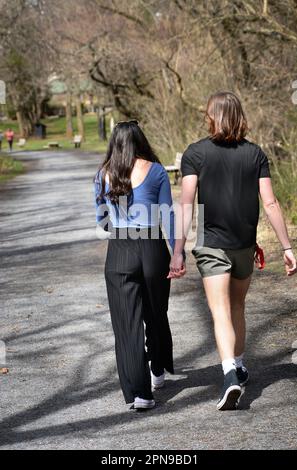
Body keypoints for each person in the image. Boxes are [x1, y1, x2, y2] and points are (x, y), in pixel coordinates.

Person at [168, 91, 297, 411]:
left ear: (211, 116)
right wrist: (287, 246)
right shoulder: (255, 153)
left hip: (213, 245)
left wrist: (178, 250)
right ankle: (238, 364)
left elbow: (186, 204)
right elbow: (269, 202)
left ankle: (230, 375)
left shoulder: (195, 153)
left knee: (221, 311)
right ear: (239, 115)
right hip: (244, 245)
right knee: (237, 306)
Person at [94, 120, 177, 411]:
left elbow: (102, 222)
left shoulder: (103, 173)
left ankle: (140, 395)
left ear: (114, 142)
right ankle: (157, 368)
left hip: (119, 250)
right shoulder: (156, 171)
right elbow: (168, 216)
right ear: (141, 139)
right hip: (152, 246)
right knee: (156, 313)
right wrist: (177, 253)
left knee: (126, 325)